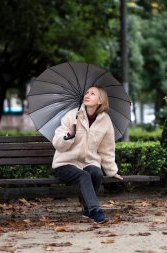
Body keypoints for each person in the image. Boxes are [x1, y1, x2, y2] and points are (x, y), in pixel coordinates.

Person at [52, 85, 123, 224]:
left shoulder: (105, 121)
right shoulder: (72, 115)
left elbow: (106, 149)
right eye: (87, 92)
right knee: (84, 175)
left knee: (96, 172)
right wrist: (69, 135)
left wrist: (112, 171)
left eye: (93, 93)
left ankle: (86, 208)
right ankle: (95, 210)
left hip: (88, 162)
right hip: (65, 163)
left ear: (100, 101)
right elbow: (57, 143)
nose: (87, 95)